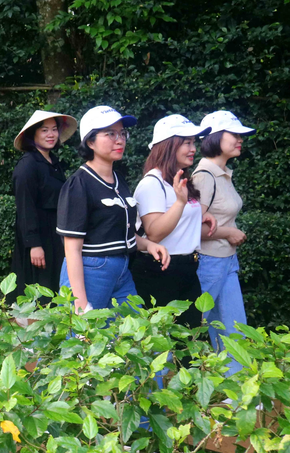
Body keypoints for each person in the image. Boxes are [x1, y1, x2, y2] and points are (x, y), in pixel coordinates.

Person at [57, 106, 170, 314]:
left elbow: (117, 231)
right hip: (91, 271)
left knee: (137, 334)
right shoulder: (79, 184)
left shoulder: (119, 181)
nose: (120, 140)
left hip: (121, 269)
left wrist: (148, 244)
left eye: (122, 133)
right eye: (110, 134)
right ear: (90, 141)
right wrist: (80, 304)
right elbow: (71, 249)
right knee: (87, 340)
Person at [132, 115, 217, 331]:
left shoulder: (176, 182)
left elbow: (179, 222)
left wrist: (199, 216)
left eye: (193, 142)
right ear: (169, 146)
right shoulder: (152, 184)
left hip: (188, 268)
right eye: (186, 142)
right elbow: (154, 234)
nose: (193, 148)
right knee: (158, 345)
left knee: (190, 344)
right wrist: (180, 203)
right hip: (160, 271)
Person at [194, 110, 255, 376]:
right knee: (195, 326)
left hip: (227, 260)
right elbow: (192, 228)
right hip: (208, 262)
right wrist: (228, 233)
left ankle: (237, 388)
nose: (240, 138)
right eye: (235, 133)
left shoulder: (222, 173)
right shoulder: (205, 176)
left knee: (234, 327)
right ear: (215, 137)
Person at [10, 110, 78, 304]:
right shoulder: (27, 166)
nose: (51, 134)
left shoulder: (53, 162)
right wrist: (34, 244)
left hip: (55, 234)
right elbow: (25, 207)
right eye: (44, 130)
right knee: (38, 290)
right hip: (38, 236)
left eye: (54, 129)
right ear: (34, 134)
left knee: (55, 287)